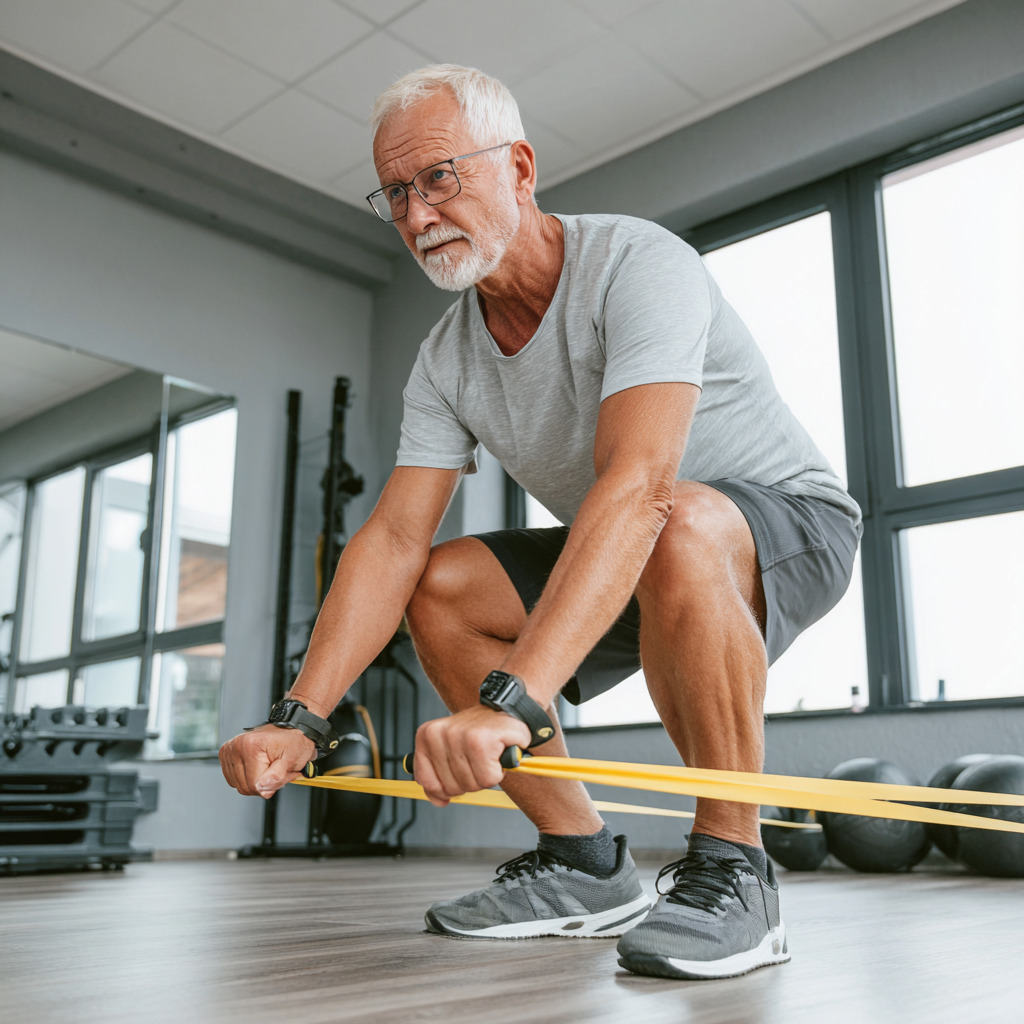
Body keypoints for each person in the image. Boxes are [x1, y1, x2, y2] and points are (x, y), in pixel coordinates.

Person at [219, 64, 861, 981]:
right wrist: (301, 718)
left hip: (785, 525)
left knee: (674, 520)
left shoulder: (638, 266)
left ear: (518, 167)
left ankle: (736, 869)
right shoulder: (447, 361)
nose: (415, 213)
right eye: (395, 191)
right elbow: (395, 542)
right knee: (440, 586)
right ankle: (585, 863)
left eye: (439, 175)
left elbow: (641, 483)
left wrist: (512, 699)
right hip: (639, 544)